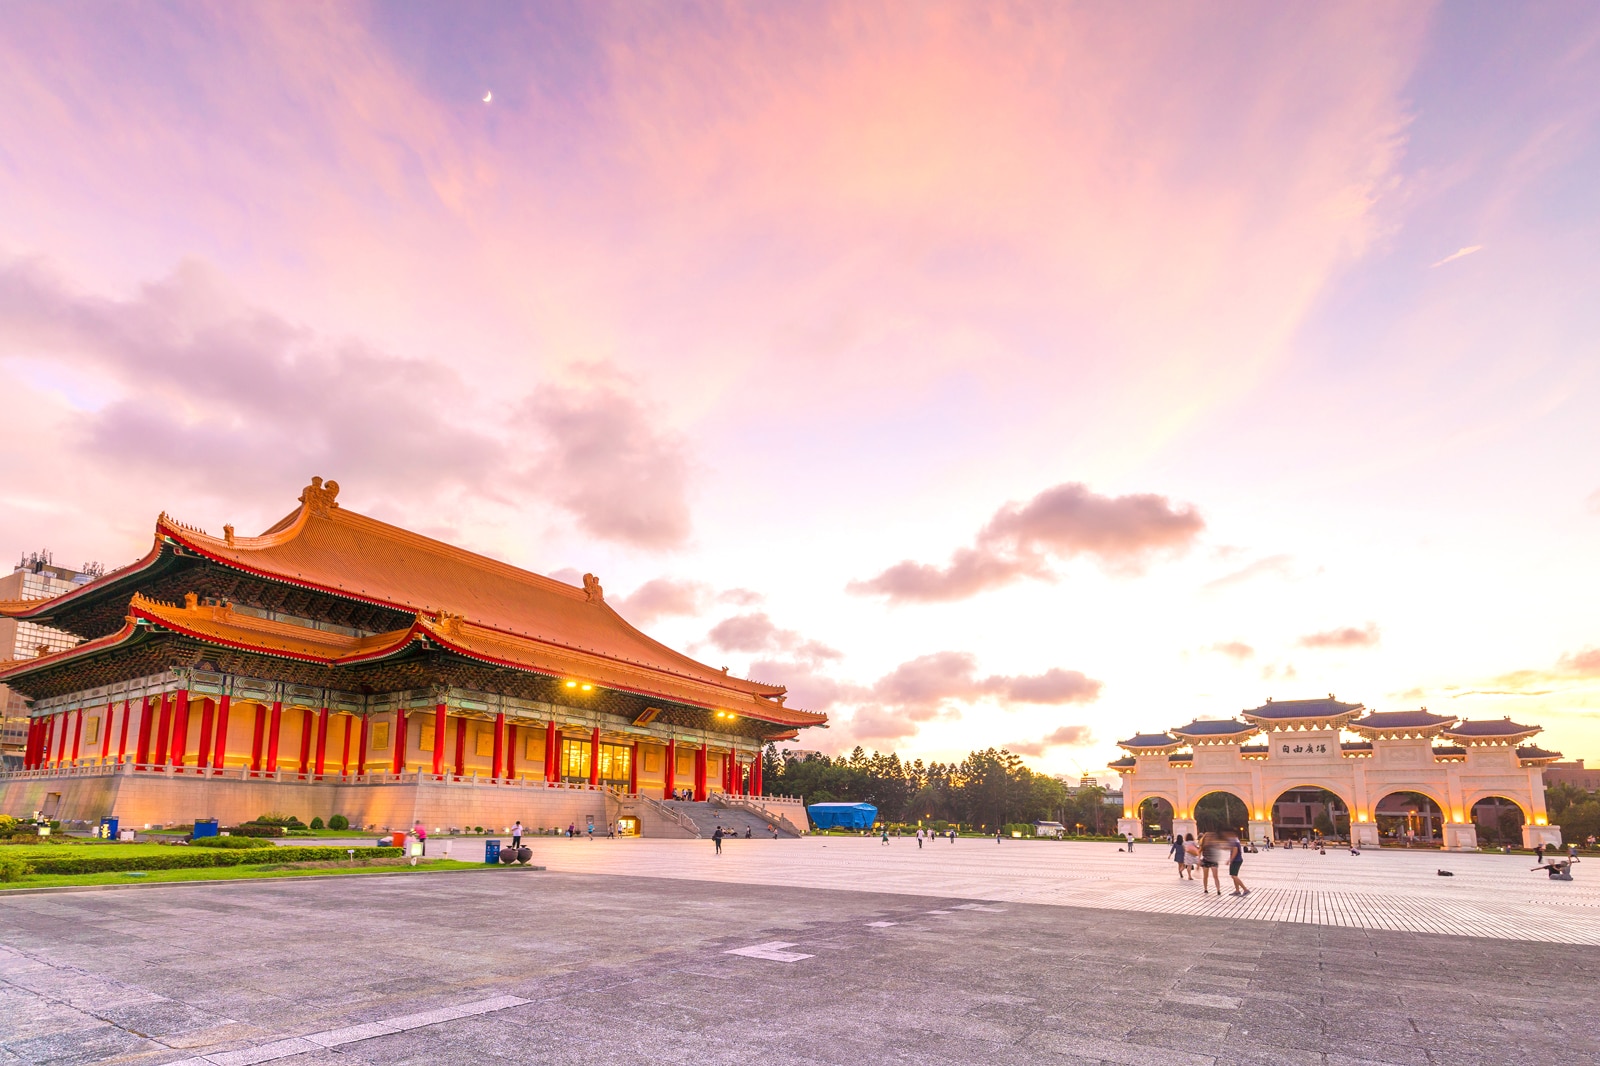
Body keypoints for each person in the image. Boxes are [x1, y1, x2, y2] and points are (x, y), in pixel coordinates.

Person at [1226, 832, 1251, 897]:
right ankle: (1237, 891)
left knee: (1234, 876)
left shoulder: (1234, 842)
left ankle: (1245, 890)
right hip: (1236, 860)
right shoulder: (1236, 841)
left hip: (1236, 861)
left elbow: (1235, 851)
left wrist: (1230, 860)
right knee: (1233, 875)